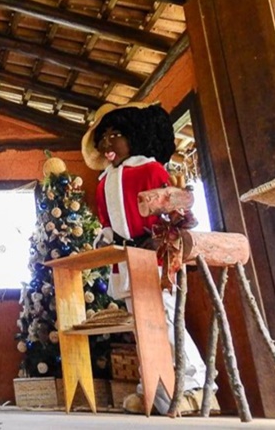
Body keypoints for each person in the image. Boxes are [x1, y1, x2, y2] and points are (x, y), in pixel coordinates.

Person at [82, 102, 217, 415]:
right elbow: (105, 221)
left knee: (166, 318)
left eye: (115, 135)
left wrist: (163, 235)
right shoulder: (103, 182)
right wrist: (104, 237)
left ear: (135, 136)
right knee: (141, 326)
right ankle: (154, 387)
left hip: (155, 256)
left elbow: (175, 210)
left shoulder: (151, 169)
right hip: (125, 261)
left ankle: (193, 385)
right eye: (103, 138)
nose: (107, 143)